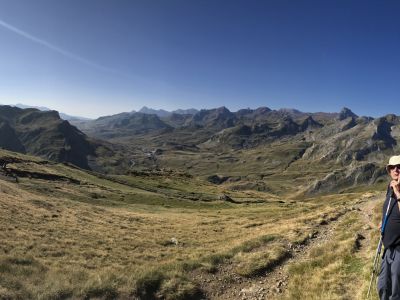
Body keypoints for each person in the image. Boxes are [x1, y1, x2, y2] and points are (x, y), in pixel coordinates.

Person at [378, 155, 400, 299]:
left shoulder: (396, 190)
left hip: (399, 248)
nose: (396, 170)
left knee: (396, 291)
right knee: (383, 286)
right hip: (388, 247)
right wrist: (383, 222)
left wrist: (398, 192)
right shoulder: (389, 187)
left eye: (399, 167)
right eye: (392, 167)